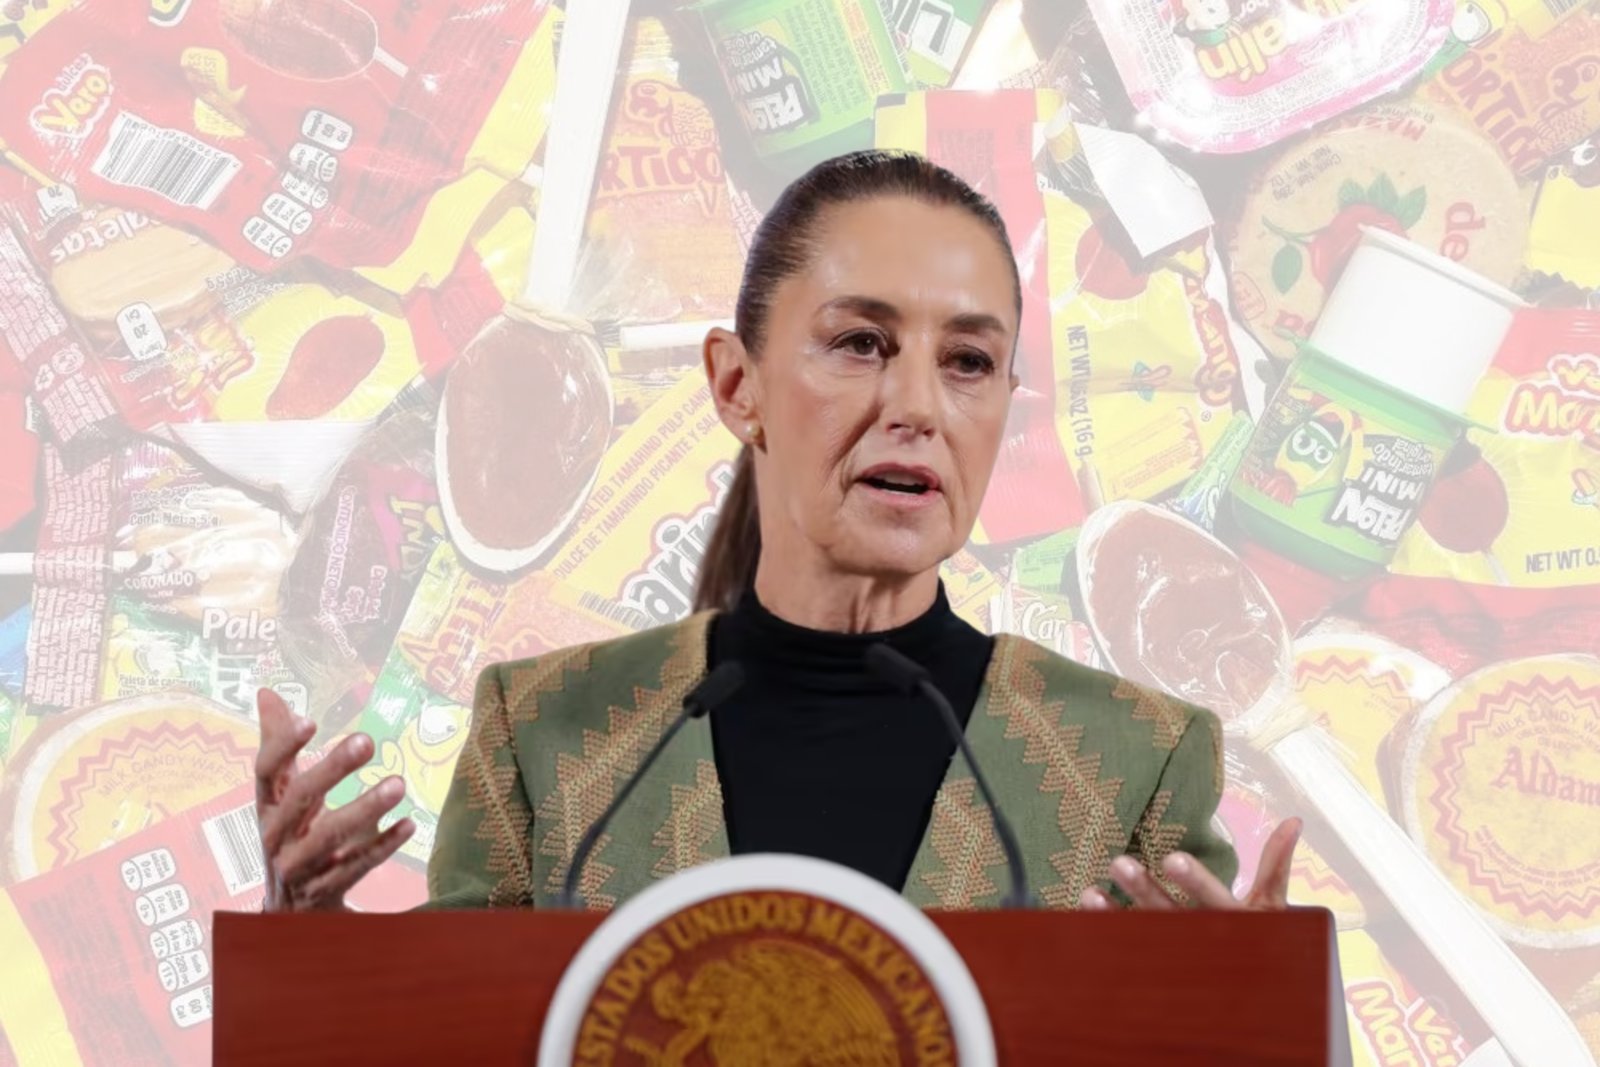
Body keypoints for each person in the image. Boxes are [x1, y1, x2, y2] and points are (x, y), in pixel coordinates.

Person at [255, 149, 1301, 915]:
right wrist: (304, 941)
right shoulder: (545, 733)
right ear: (736, 385)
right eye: (861, 343)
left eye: (968, 362)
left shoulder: (1136, 758)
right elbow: (455, 1033)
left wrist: (1258, 1028)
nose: (918, 405)